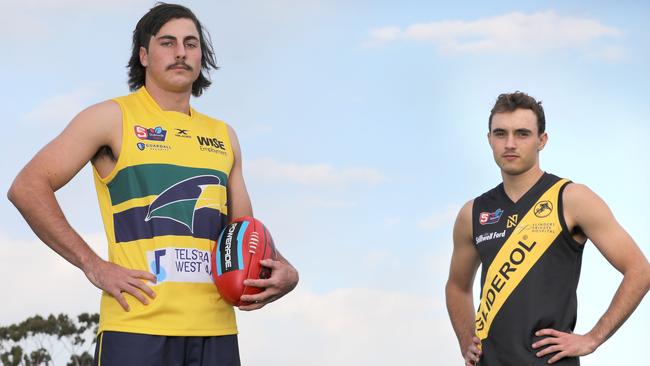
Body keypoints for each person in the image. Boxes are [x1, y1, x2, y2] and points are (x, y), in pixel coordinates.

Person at [7, 3, 298, 365]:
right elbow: (27, 186)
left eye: (191, 44)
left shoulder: (224, 136)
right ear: (143, 55)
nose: (181, 52)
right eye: (167, 42)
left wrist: (286, 272)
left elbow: (244, 234)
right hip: (136, 326)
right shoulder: (111, 118)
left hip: (216, 330)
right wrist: (93, 265)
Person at [445, 91, 650, 365]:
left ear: (542, 140)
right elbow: (457, 287)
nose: (510, 144)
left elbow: (640, 271)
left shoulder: (571, 199)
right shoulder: (473, 212)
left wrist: (592, 338)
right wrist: (465, 339)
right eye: (500, 133)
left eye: (522, 134)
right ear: (489, 140)